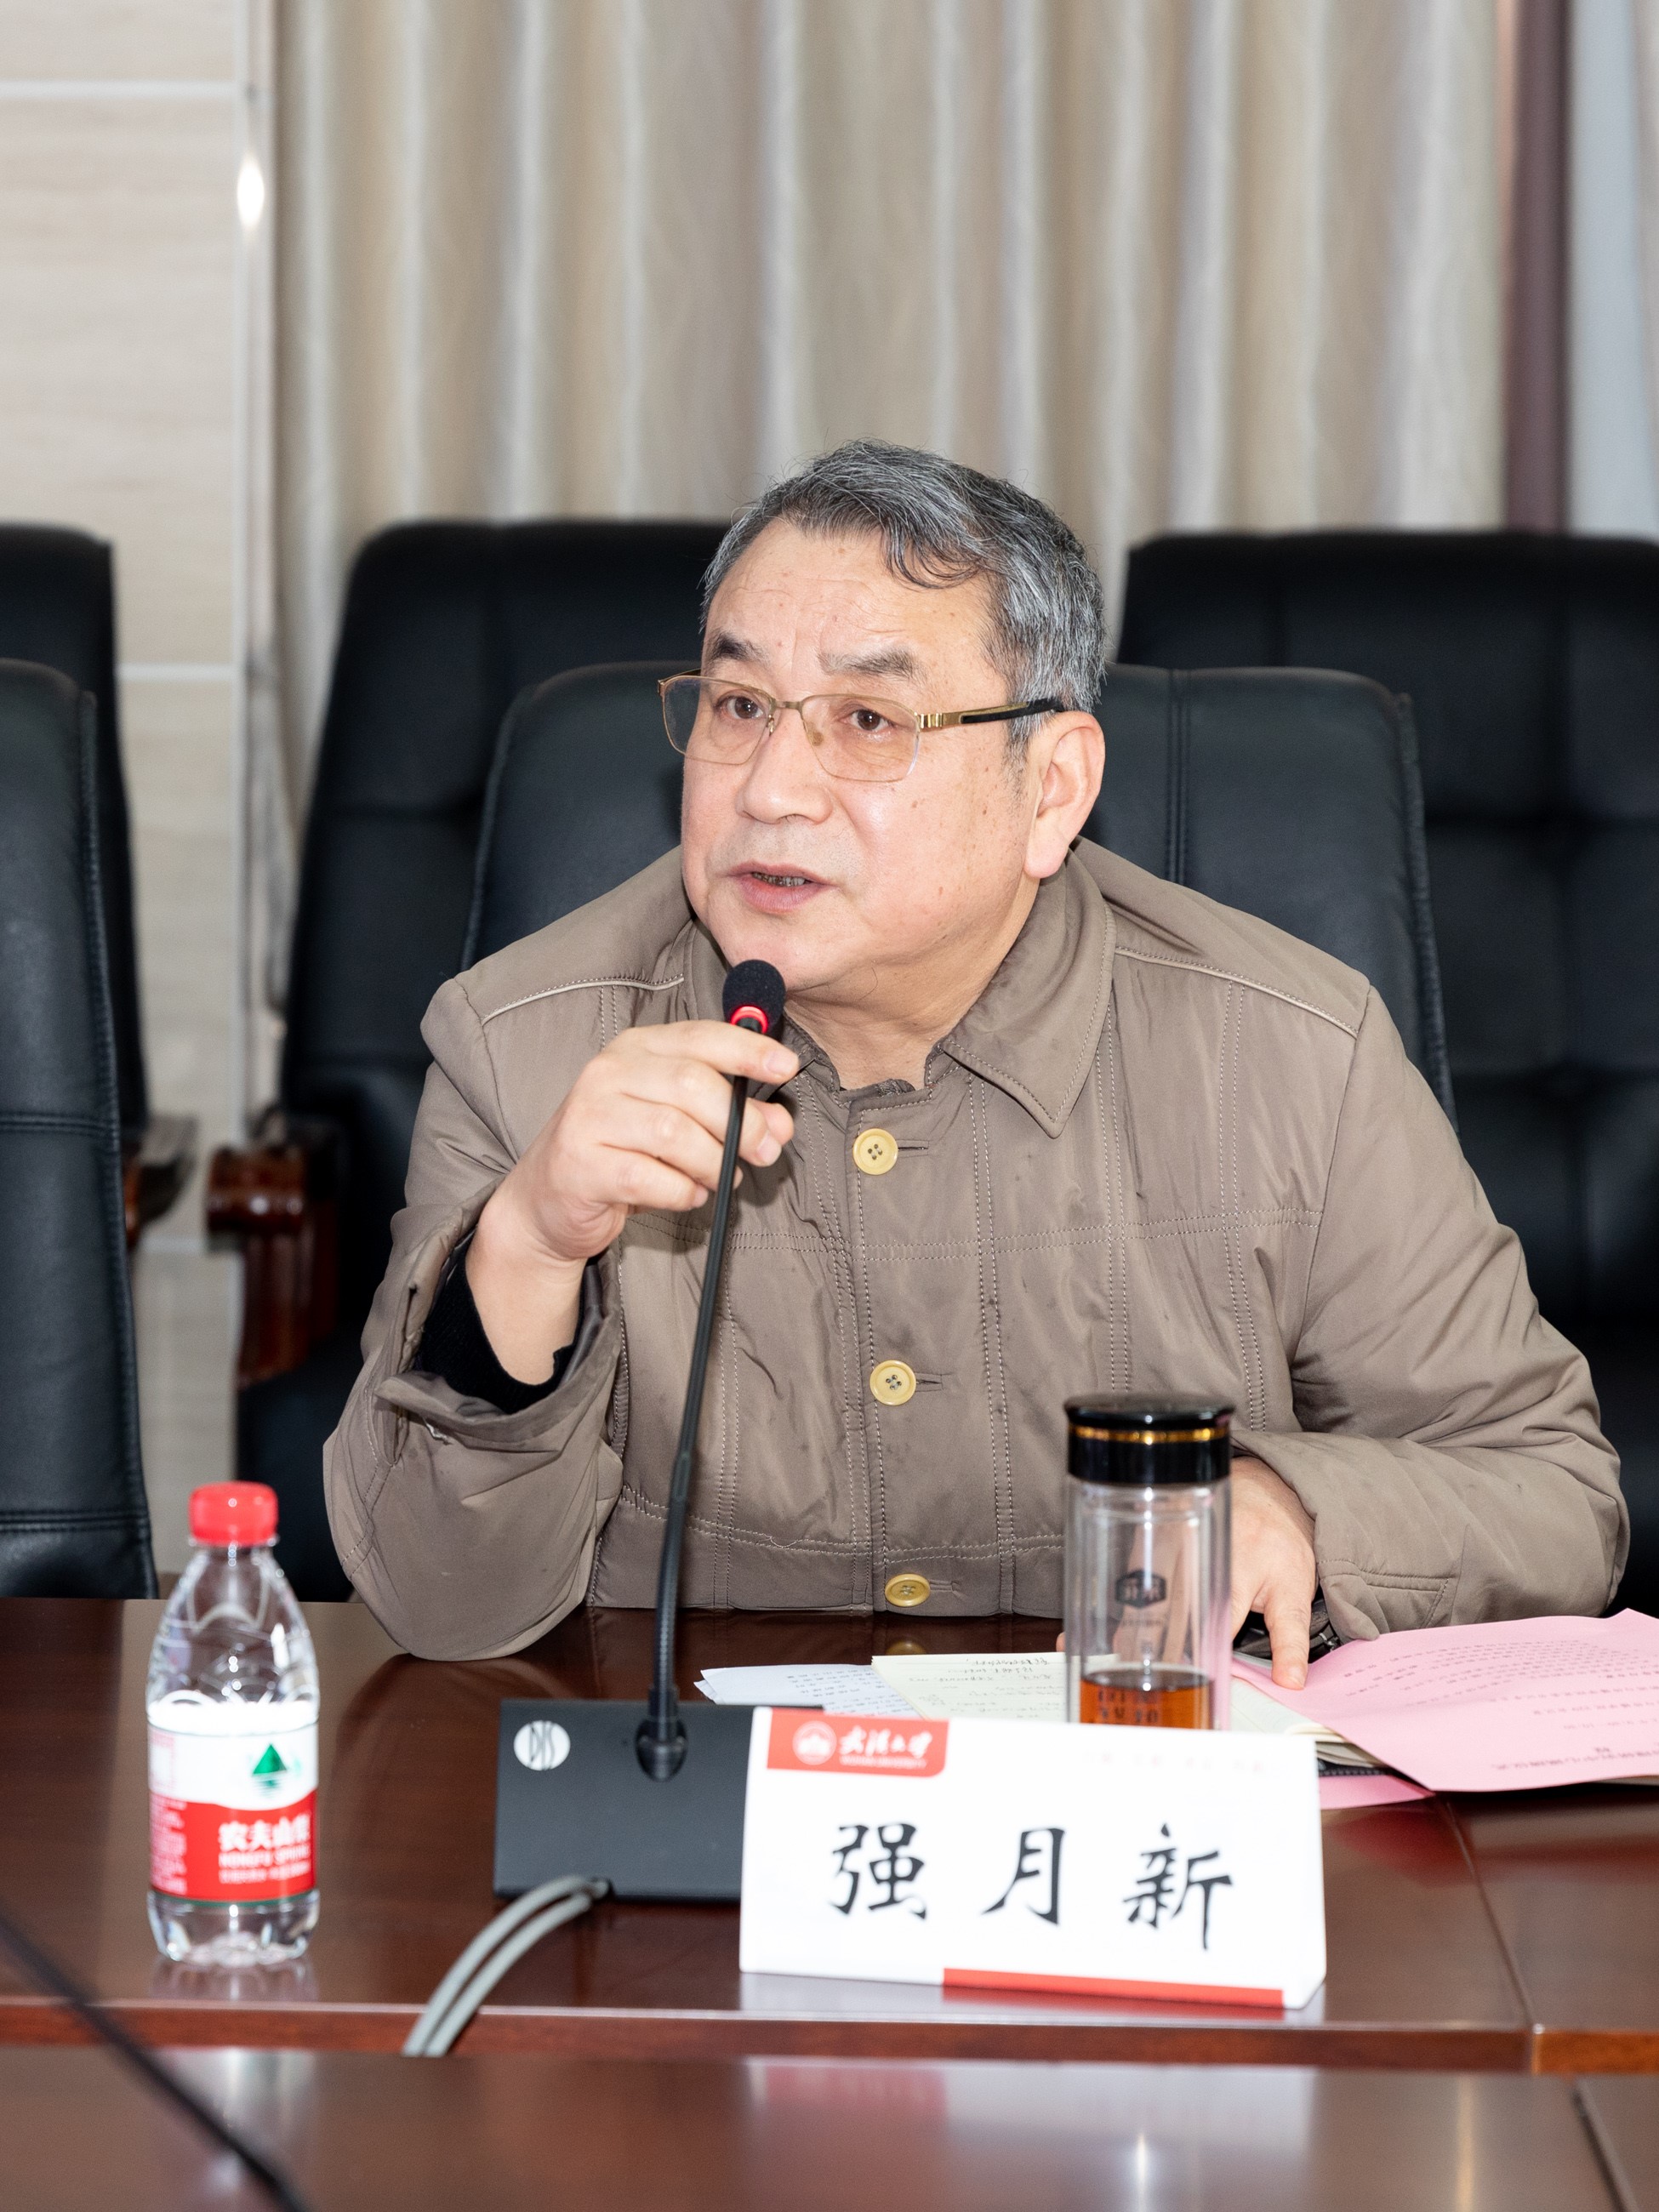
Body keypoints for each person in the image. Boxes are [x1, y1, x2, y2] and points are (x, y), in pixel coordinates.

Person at [325, 441, 1624, 1678]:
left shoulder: (1291, 1054)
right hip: (697, 1806)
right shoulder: (524, 1045)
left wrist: (1299, 1508)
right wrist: (529, 1245)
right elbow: (439, 1606)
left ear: (1050, 787)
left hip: (1127, 1790)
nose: (770, 788)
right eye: (739, 705)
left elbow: (1551, 1495)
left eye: (868, 719)